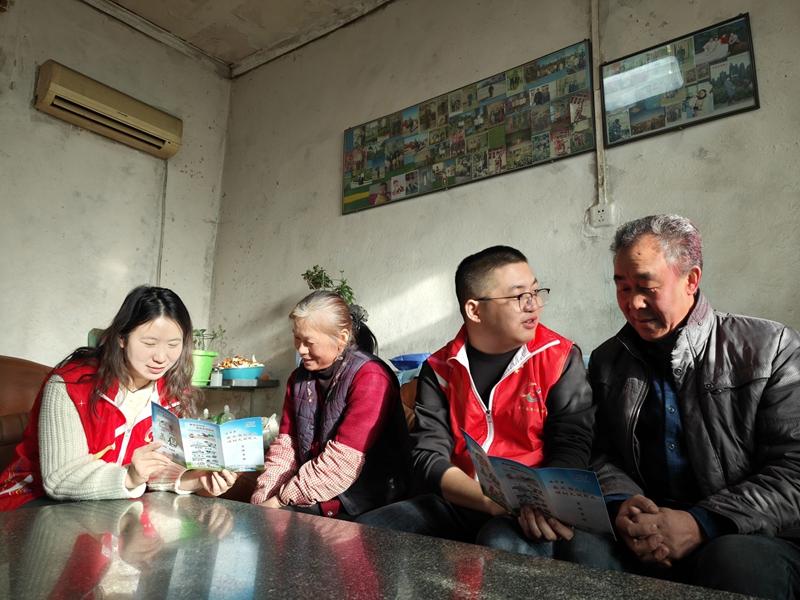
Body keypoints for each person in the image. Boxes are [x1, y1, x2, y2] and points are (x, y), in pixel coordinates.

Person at [589, 214, 800, 598]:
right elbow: (602, 453)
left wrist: (701, 523)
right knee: (579, 549)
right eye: (622, 287)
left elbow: (794, 469)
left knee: (734, 561)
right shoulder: (607, 362)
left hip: (750, 530)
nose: (633, 303)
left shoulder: (770, 348)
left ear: (691, 279)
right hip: (649, 529)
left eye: (647, 287)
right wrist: (624, 507)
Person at [358, 246, 604, 562]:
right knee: (365, 533)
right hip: (460, 498)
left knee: (500, 542)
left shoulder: (559, 357)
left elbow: (572, 441)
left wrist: (544, 503)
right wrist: (488, 501)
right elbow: (428, 454)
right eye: (519, 296)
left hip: (531, 505)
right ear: (475, 310)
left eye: (535, 292)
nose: (533, 305)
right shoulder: (440, 368)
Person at [0, 286, 238, 510]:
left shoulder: (173, 394)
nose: (161, 357)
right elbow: (59, 479)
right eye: (149, 343)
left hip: (114, 508)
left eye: (173, 344)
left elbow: (152, 471)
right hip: (33, 503)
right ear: (121, 338)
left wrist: (196, 480)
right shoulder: (69, 386)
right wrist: (129, 476)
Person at [250, 290, 408, 519]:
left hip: (364, 498)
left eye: (309, 342)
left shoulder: (370, 377)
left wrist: (280, 500)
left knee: (281, 521)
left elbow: (342, 462)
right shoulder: (298, 379)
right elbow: (287, 445)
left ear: (342, 337)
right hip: (314, 489)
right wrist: (264, 495)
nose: (300, 349)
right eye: (297, 339)